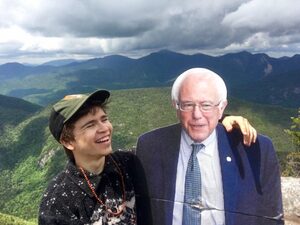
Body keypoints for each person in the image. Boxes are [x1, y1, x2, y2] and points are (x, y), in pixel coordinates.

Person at [38, 88, 258, 225]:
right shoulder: (59, 200)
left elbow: (170, 145)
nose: (104, 128)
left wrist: (221, 122)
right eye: (90, 125)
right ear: (67, 141)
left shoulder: (127, 164)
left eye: (104, 119)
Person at [136, 68, 284, 225]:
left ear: (221, 108)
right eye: (187, 105)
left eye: (206, 105)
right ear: (176, 106)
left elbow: (272, 218)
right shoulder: (150, 146)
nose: (197, 115)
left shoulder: (255, 150)